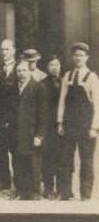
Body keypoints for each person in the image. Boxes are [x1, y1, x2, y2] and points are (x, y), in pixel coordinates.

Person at [57, 42, 99, 201]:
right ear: (73, 57)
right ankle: (65, 192)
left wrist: (94, 127)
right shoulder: (67, 76)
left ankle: (86, 194)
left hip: (86, 126)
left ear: (87, 57)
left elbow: (97, 105)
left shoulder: (92, 77)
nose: (78, 58)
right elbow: (62, 101)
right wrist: (60, 122)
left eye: (81, 55)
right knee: (65, 160)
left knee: (86, 161)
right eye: (76, 55)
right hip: (69, 125)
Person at [10, 60, 47, 200]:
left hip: (31, 134)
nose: (21, 73)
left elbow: (43, 115)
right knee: (17, 163)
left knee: (33, 164)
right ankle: (20, 191)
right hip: (16, 134)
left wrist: (39, 135)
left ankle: (34, 193)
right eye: (19, 71)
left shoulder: (38, 88)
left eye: (24, 70)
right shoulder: (13, 88)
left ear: (30, 71)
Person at [0, 38, 18, 193]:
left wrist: (12, 117)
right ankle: (3, 182)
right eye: (2, 49)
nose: (4, 52)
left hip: (15, 119)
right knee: (0, 151)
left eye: (7, 49)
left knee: (16, 152)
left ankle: (19, 185)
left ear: (13, 50)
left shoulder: (21, 68)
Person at [41, 55, 63, 199]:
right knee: (48, 157)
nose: (54, 67)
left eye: (57, 65)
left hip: (61, 127)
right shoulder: (42, 84)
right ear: (47, 68)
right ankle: (48, 188)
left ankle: (61, 188)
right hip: (48, 127)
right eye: (51, 65)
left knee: (62, 158)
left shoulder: (65, 82)